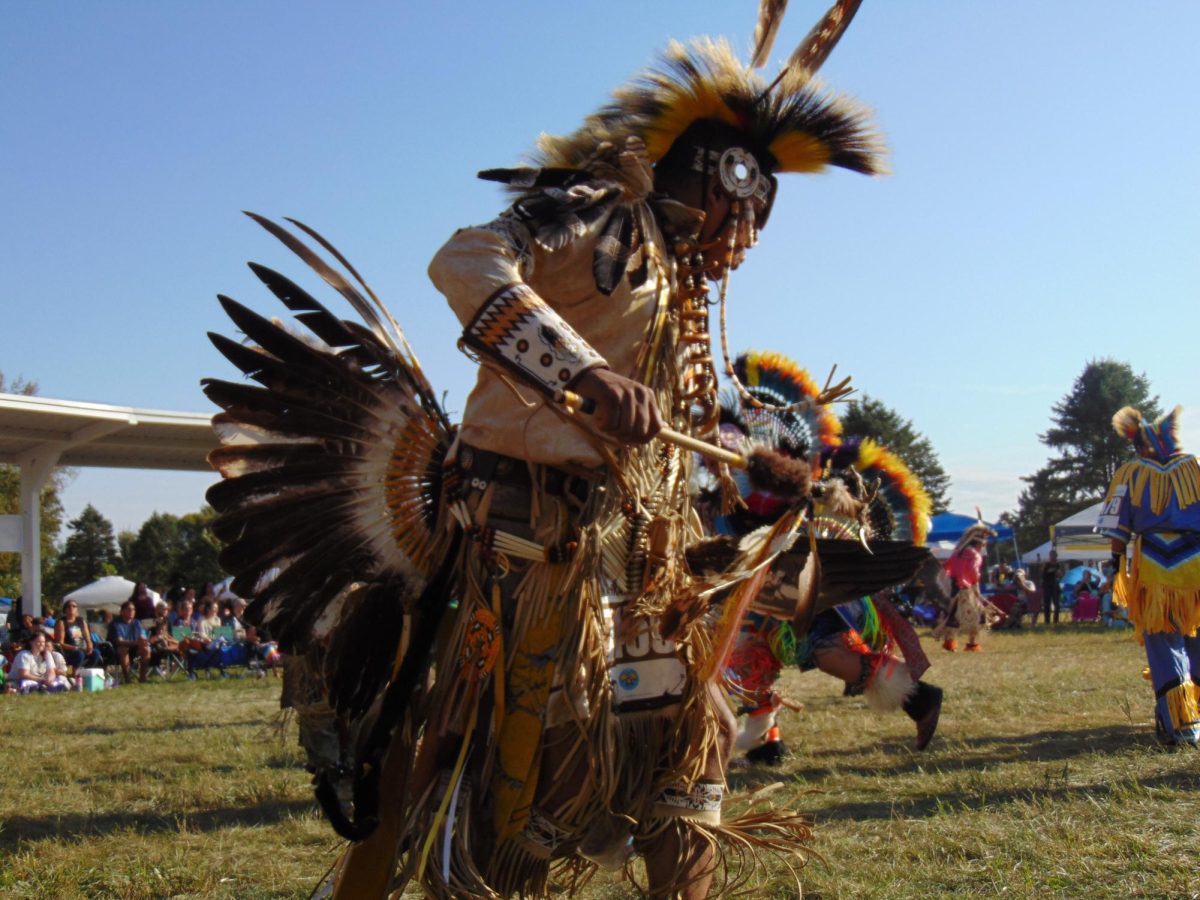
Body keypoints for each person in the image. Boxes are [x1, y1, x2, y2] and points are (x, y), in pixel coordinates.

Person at [205, 7, 888, 897]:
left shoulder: (676, 281)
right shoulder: (599, 214)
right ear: (719, 175)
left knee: (690, 745)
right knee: (505, 759)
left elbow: (665, 431)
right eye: (742, 206)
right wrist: (586, 373)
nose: (740, 238)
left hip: (638, 555)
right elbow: (465, 260)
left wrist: (755, 479)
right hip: (526, 543)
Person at [1099, 405, 1200, 746]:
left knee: (1165, 646)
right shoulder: (1196, 467)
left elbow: (1117, 532)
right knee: (1198, 642)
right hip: (1198, 567)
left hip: (1157, 568)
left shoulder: (1130, 473)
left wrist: (1115, 573)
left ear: (1141, 444)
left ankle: (1182, 727)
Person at [934, 525, 993, 652]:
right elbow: (973, 571)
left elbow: (946, 568)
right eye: (982, 545)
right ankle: (972, 644)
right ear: (978, 543)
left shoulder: (957, 553)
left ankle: (949, 643)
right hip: (968, 588)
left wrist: (950, 583)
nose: (982, 548)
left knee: (953, 614)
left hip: (955, 587)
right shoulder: (975, 555)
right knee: (975, 614)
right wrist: (973, 581)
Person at [108, 600, 151, 683]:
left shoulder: (137, 623)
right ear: (122, 611)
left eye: (133, 609)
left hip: (134, 649)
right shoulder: (115, 624)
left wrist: (144, 641)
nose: (132, 612)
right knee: (123, 649)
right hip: (116, 651)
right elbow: (119, 642)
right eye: (129, 609)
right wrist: (137, 643)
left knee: (146, 649)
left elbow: (142, 637)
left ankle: (142, 678)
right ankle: (127, 678)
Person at [54, 600, 102, 671]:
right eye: (69, 606)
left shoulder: (81, 621)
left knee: (96, 653)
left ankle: (86, 673)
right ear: (65, 609)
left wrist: (90, 646)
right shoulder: (62, 622)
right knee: (80, 654)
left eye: (74, 606)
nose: (71, 608)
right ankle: (71, 674)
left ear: (77, 609)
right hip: (69, 651)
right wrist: (77, 648)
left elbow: (88, 638)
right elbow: (60, 643)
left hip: (82, 648)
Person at [1039, 550, 1064, 626]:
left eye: (1054, 556)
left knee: (1057, 604)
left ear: (1056, 556)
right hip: (1047, 586)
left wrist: (1058, 572)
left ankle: (1056, 620)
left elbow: (1060, 575)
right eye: (1051, 555)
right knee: (1047, 604)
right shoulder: (1046, 564)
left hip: (1055, 586)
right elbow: (1042, 573)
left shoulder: (1058, 565)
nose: (1052, 557)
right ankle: (1047, 621)